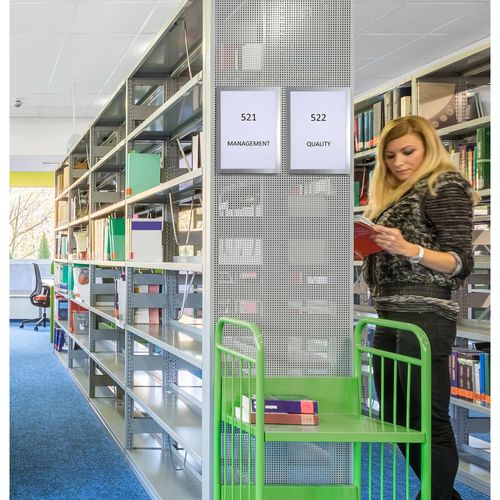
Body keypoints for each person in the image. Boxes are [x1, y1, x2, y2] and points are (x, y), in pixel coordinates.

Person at [362, 115, 475, 499]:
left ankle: (437, 495)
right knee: (395, 416)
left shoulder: (444, 185)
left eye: (408, 152)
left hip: (425, 314)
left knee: (426, 415)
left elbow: (460, 261)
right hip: (389, 313)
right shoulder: (395, 193)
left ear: (428, 147)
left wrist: (409, 249)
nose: (398, 162)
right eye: (390, 155)